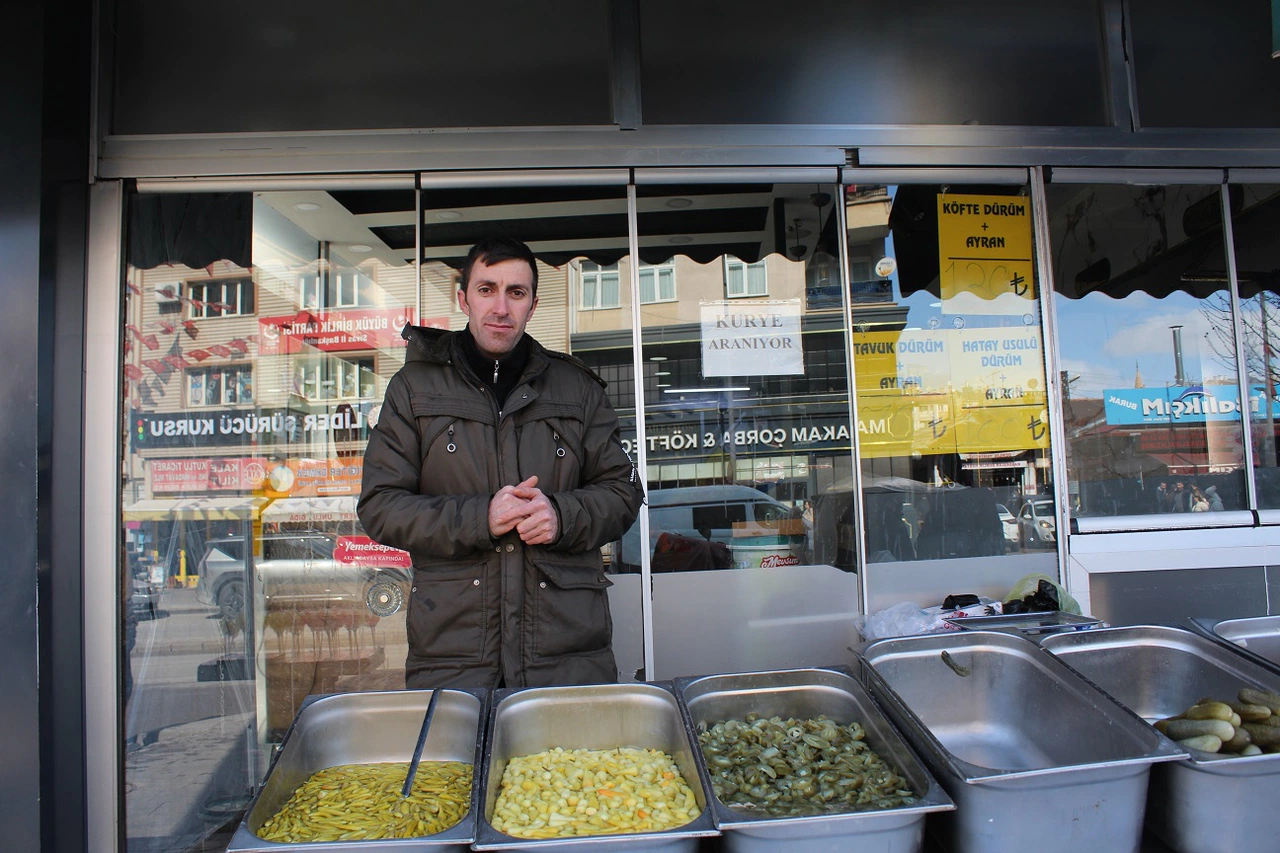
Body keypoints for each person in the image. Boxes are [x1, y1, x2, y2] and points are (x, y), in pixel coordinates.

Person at [358, 237, 643, 690]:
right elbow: (380, 506)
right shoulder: (413, 389)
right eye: (487, 289)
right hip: (455, 653)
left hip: (564, 653)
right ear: (463, 298)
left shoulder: (578, 388)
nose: (500, 307)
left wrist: (562, 515)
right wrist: (479, 517)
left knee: (568, 764)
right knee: (459, 761)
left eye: (516, 292)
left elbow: (624, 492)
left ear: (532, 305)